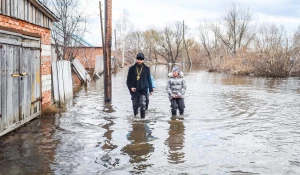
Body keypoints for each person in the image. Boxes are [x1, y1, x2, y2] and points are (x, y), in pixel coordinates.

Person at [127, 53, 153, 118]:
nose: (139, 61)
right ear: (136, 60)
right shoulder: (131, 68)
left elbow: (149, 79)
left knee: (142, 104)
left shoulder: (147, 68)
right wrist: (131, 88)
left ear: (143, 60)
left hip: (143, 89)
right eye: (138, 59)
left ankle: (142, 119)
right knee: (135, 105)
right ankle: (135, 118)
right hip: (134, 90)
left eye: (141, 60)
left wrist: (150, 90)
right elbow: (128, 81)